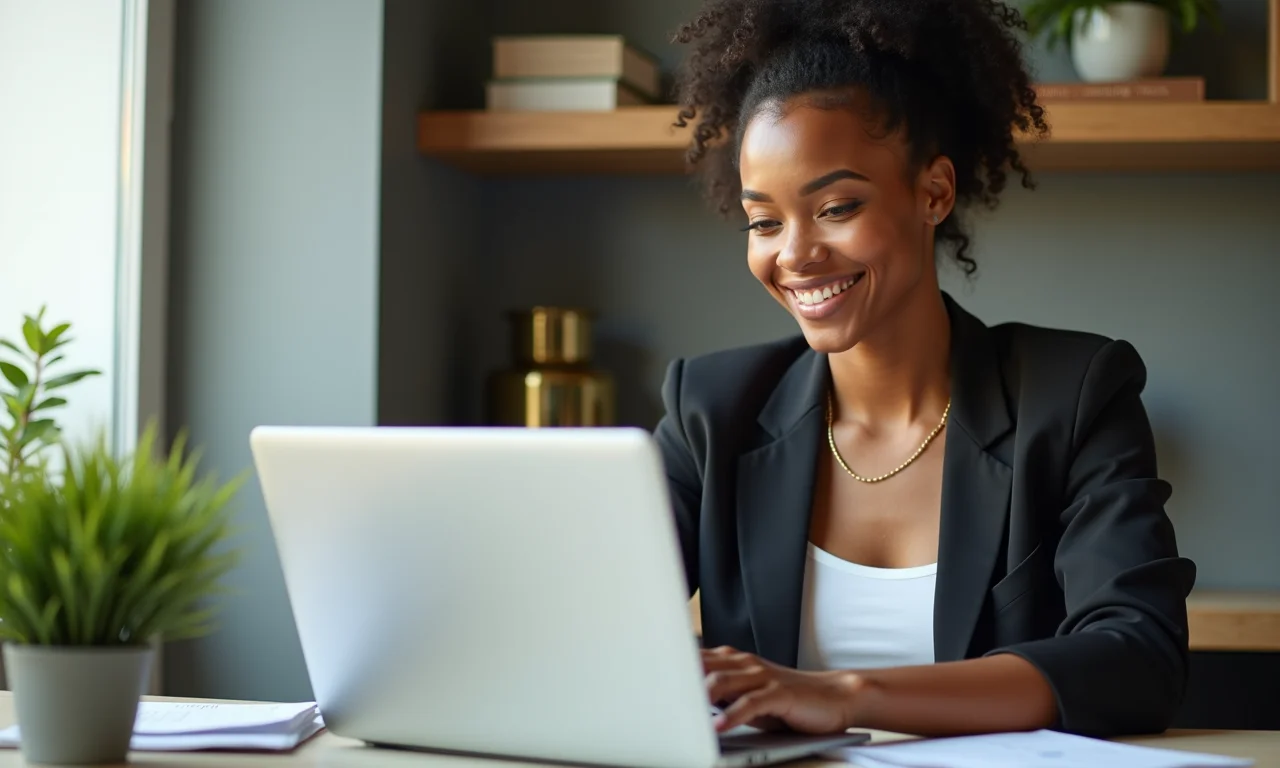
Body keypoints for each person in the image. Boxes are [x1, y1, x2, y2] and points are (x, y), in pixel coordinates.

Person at [654, 0, 1197, 742]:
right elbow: (589, 622)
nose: (795, 254)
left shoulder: (1072, 396)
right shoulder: (711, 414)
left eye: (837, 206)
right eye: (765, 221)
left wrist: (847, 696)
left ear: (933, 192)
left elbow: (1138, 658)